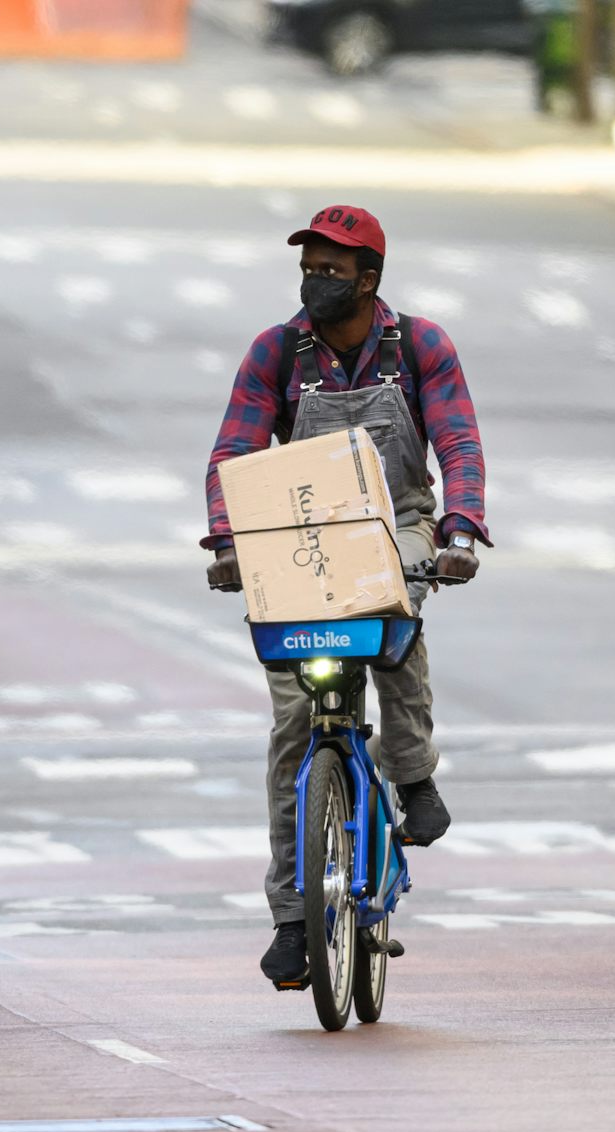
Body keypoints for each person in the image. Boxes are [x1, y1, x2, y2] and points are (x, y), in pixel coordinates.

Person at [202, 205, 489, 987]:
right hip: (297, 531)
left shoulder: (421, 346)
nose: (315, 282)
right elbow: (234, 450)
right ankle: (294, 920)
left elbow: (458, 442)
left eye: (333, 271)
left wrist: (460, 536)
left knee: (394, 604)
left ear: (369, 281)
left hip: (396, 520)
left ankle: (413, 771)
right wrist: (229, 543)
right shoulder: (275, 352)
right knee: (296, 722)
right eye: (309, 267)